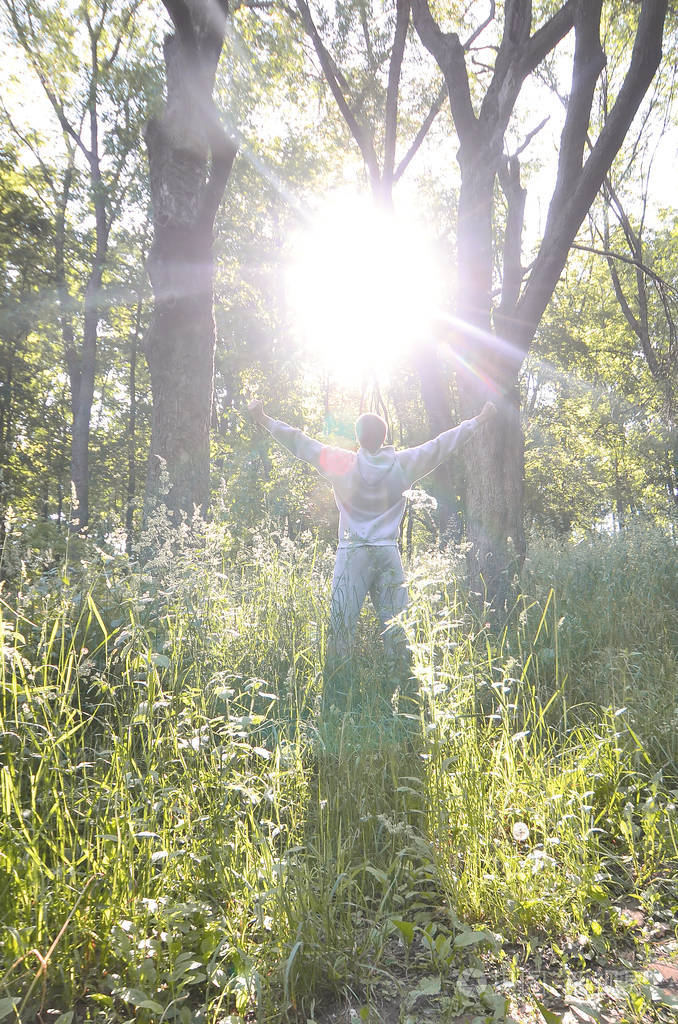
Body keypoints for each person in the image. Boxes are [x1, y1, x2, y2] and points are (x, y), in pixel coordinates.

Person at [248, 398, 497, 710]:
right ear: (384, 436)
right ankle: (406, 699)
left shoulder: (343, 463)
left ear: (357, 438)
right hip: (387, 554)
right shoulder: (404, 463)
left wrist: (264, 419)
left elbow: (301, 442)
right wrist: (479, 419)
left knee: (341, 627)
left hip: (352, 555)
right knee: (398, 629)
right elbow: (441, 444)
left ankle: (335, 699)